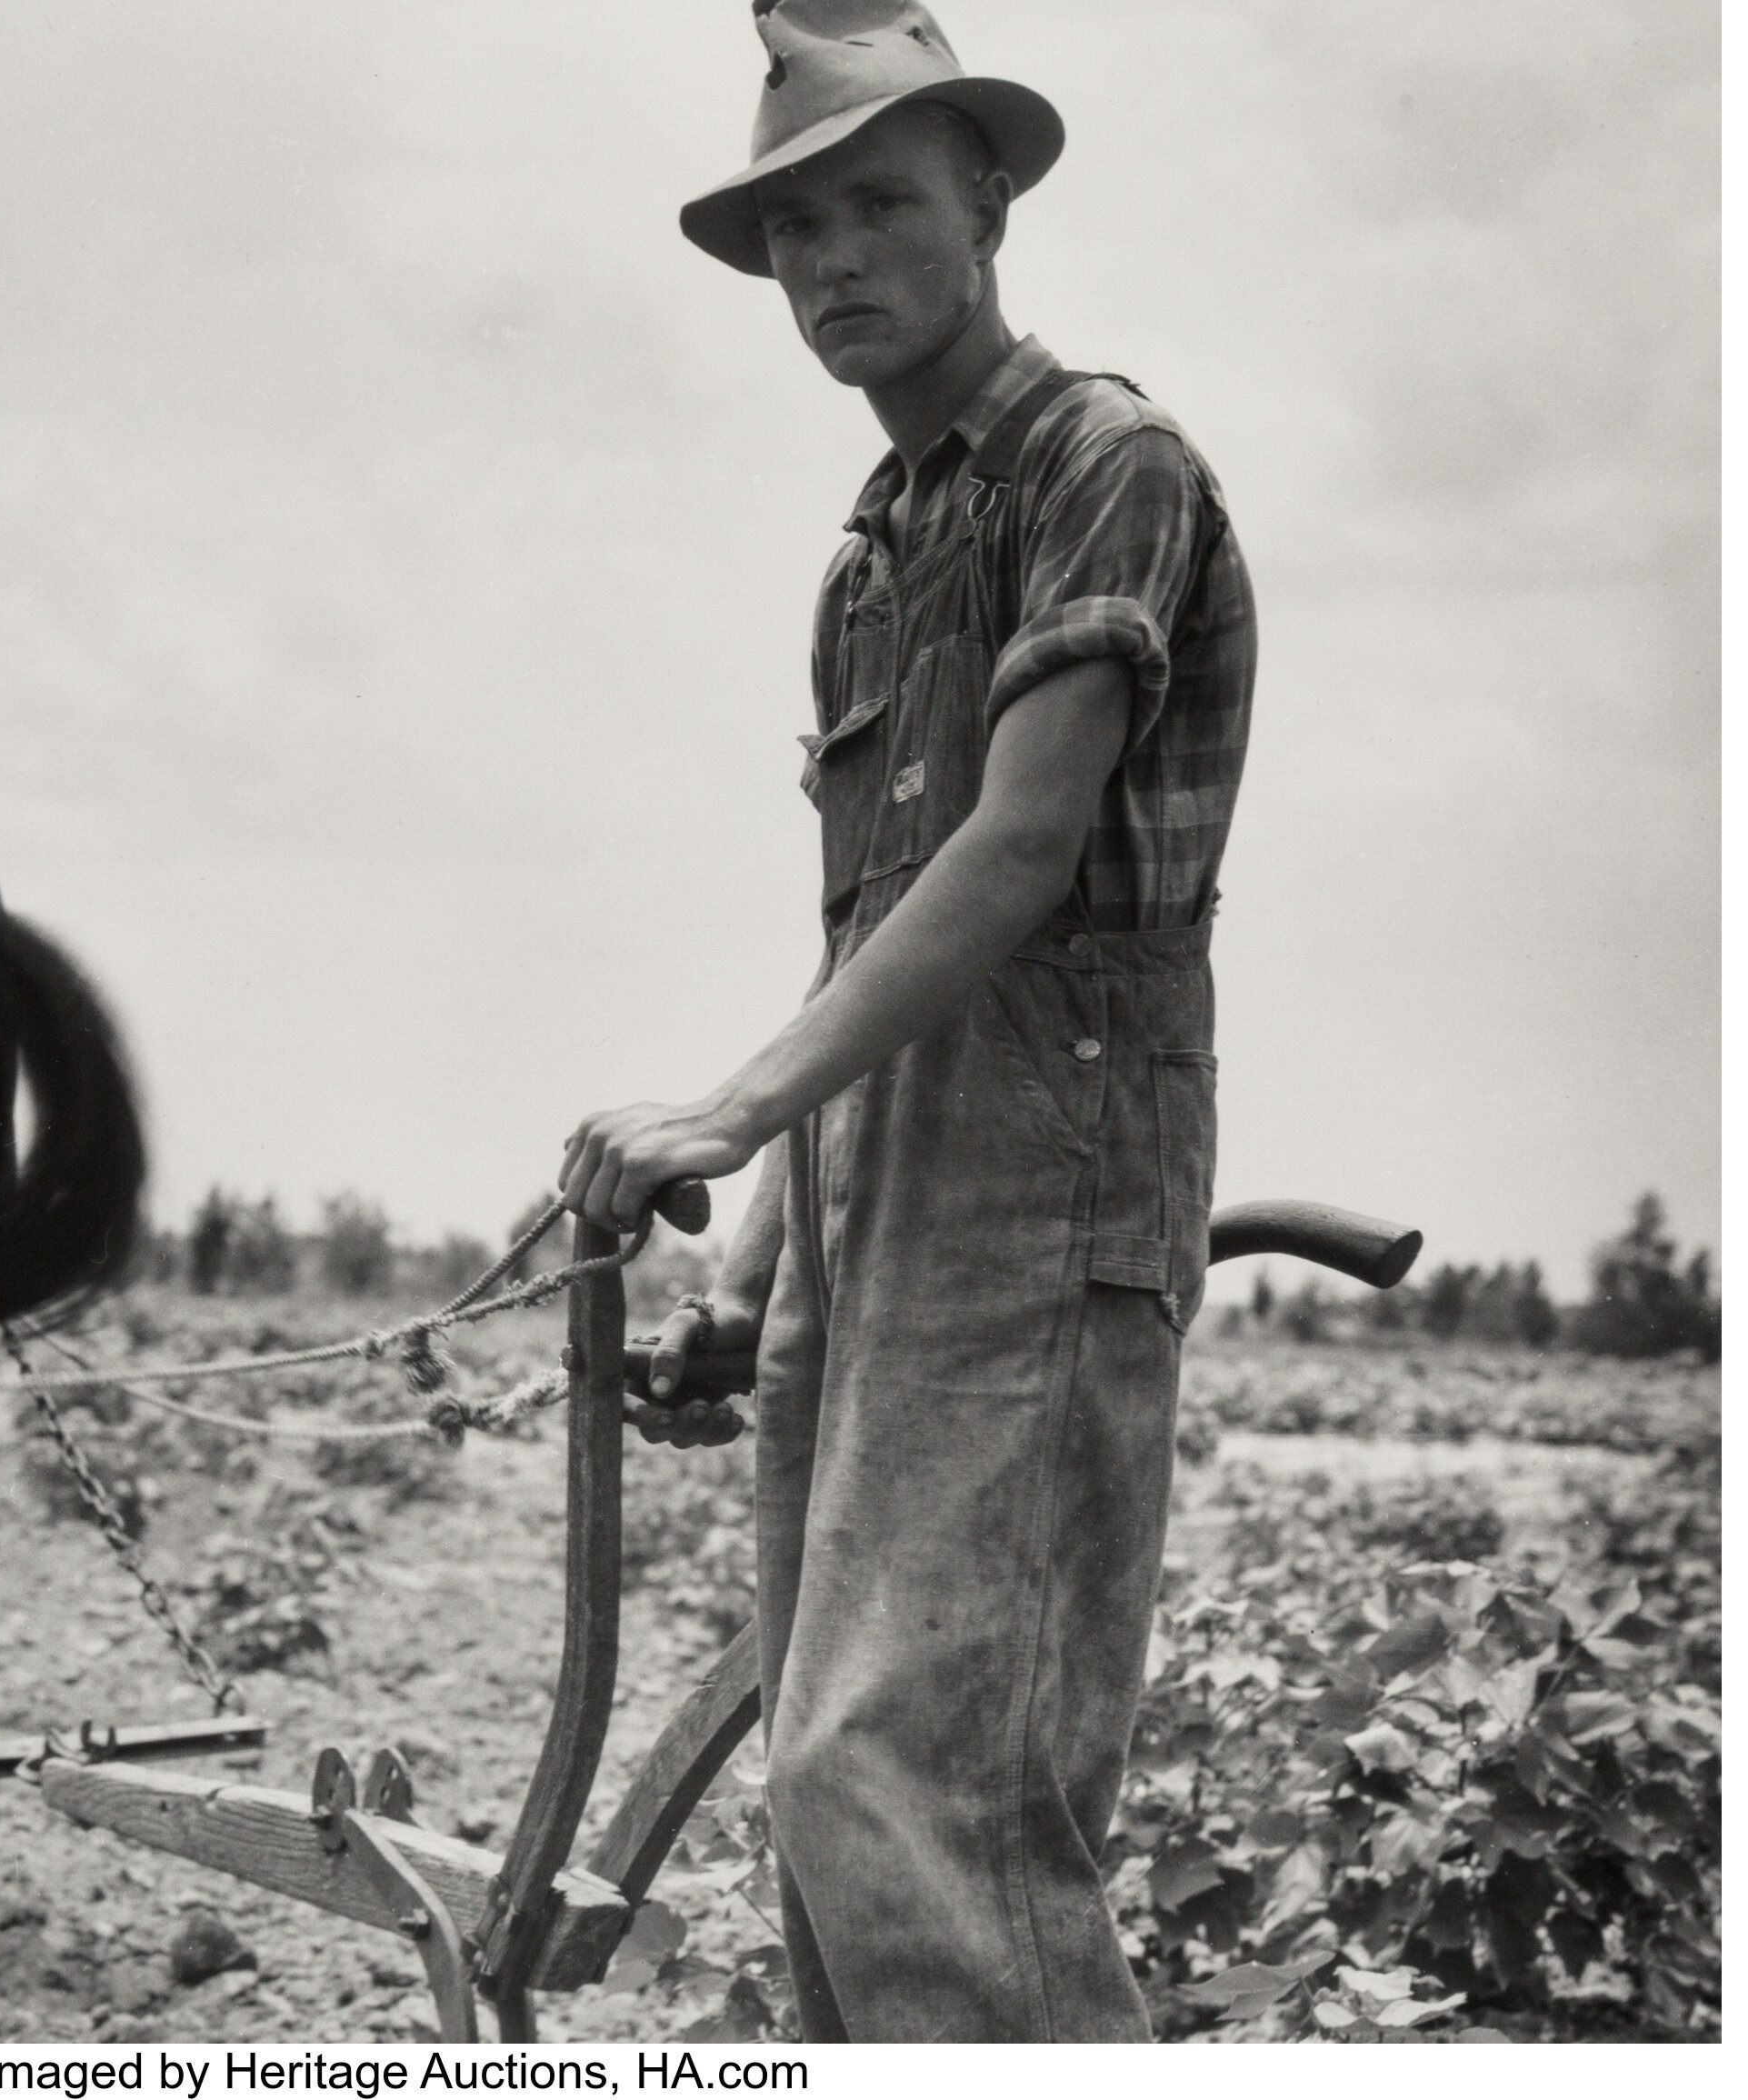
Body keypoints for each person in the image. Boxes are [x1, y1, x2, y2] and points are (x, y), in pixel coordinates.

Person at [555, 1, 1256, 2043]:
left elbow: (1020, 855)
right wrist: (765, 1244)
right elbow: (869, 920)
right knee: (825, 1822)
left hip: (1052, 1161)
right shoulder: (875, 552)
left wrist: (715, 1112)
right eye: (794, 234)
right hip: (881, 1179)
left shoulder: (1100, 465)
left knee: (913, 1787)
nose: (834, 261)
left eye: (879, 206)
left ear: (992, 200)